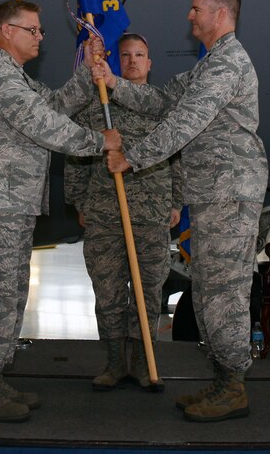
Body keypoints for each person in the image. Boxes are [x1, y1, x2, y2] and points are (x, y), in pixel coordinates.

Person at [101, 0, 267, 423]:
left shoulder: (227, 62)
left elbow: (184, 123)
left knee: (225, 293)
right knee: (210, 290)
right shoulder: (209, 64)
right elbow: (162, 100)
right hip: (213, 193)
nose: (189, 17)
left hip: (229, 193)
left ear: (221, 14)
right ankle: (222, 381)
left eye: (196, 10)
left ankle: (233, 387)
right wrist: (114, 84)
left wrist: (130, 158)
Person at [0, 0, 121, 423]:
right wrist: (101, 142)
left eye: (41, 30)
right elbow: (47, 126)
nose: (41, 37)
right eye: (34, 30)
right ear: (7, 31)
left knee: (10, 295)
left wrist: (88, 74)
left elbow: (55, 105)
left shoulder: (19, 79)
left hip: (13, 206)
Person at [65, 33, 181, 392]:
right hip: (104, 212)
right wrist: (79, 201)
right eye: (126, 55)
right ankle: (115, 363)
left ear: (150, 63)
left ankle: (145, 363)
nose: (132, 61)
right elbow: (77, 156)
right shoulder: (99, 105)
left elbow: (179, 156)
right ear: (117, 62)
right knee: (109, 292)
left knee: (147, 292)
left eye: (140, 55)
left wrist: (178, 202)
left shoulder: (164, 108)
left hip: (150, 213)